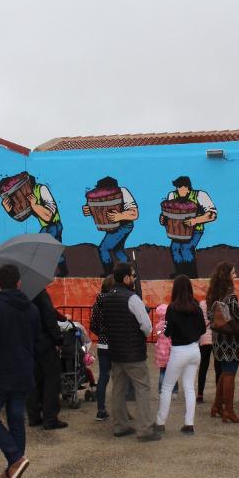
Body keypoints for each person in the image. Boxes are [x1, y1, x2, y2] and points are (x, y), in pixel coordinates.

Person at [0, 264, 40, 478]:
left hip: (0, 372)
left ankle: (15, 458)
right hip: (23, 370)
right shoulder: (32, 309)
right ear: (19, 283)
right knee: (16, 418)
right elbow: (35, 339)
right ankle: (13, 467)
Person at [101, 262, 159, 441]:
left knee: (117, 389)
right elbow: (147, 327)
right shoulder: (133, 298)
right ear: (126, 278)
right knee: (142, 388)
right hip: (133, 352)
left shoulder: (107, 297)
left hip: (115, 351)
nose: (134, 279)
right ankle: (145, 429)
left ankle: (120, 425)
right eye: (133, 276)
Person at [154, 275, 206, 434]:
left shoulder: (172, 308)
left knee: (167, 387)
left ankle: (160, 422)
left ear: (175, 289)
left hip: (179, 351)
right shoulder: (196, 306)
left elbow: (167, 332)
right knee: (190, 387)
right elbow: (203, 330)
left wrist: (163, 328)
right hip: (194, 351)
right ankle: (189, 425)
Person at [206, 261, 239, 424]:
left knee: (225, 373)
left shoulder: (213, 295)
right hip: (231, 341)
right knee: (230, 374)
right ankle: (228, 411)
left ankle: (217, 406)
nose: (235, 276)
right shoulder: (231, 296)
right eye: (233, 273)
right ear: (227, 276)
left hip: (219, 339)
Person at [160, 176, 217, 278]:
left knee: (186, 248)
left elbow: (212, 214)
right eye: (178, 187)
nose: (179, 190)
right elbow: (168, 212)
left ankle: (191, 275)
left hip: (195, 231)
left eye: (182, 187)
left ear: (188, 187)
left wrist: (195, 220)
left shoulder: (200, 195)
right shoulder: (172, 195)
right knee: (175, 248)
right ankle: (181, 274)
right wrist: (163, 219)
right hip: (177, 231)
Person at [26, 290, 67, 430]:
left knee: (33, 381)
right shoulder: (40, 294)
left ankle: (33, 416)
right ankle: (50, 418)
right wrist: (58, 338)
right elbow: (49, 316)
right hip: (44, 343)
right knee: (51, 381)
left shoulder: (20, 296)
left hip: (28, 344)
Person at [82, 176, 138, 276]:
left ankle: (110, 275)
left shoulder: (122, 192)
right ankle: (130, 272)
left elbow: (134, 213)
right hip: (112, 228)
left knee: (103, 249)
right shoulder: (98, 196)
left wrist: (120, 216)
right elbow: (98, 209)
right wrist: (89, 210)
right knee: (117, 250)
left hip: (124, 225)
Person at [90, 275, 115, 421]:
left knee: (103, 376)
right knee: (119, 377)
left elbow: (93, 325)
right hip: (117, 342)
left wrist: (101, 334)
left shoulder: (97, 303)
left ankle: (101, 409)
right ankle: (122, 410)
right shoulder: (116, 301)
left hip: (102, 343)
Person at [197, 300, 221, 403]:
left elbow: (200, 320)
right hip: (217, 337)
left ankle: (200, 394)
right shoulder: (220, 304)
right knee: (218, 367)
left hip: (204, 337)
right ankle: (219, 395)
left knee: (203, 366)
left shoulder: (202, 304)